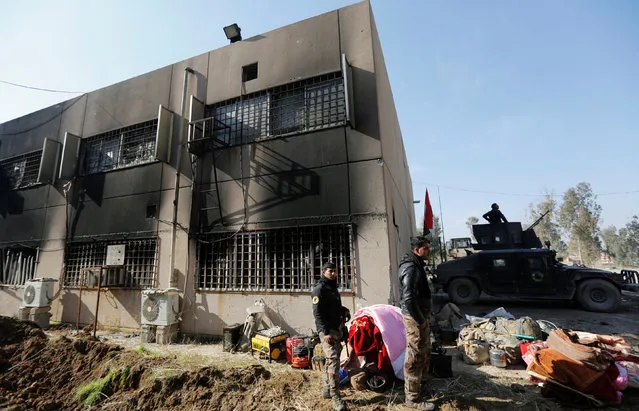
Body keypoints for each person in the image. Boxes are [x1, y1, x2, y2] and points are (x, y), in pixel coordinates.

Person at [399, 236, 435, 410]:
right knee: (414, 356)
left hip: (421, 316)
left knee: (424, 351)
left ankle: (422, 387)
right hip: (415, 319)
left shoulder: (418, 264)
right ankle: (412, 399)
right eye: (426, 248)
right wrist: (420, 321)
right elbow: (408, 298)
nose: (428, 251)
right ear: (417, 249)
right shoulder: (410, 267)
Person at [312, 262, 348, 411]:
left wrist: (343, 311)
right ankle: (335, 397)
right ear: (324, 272)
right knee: (333, 360)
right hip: (327, 330)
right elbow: (317, 313)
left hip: (336, 328)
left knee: (333, 360)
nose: (333, 274)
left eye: (335, 271)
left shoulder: (332, 287)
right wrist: (325, 332)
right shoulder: (319, 289)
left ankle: (327, 388)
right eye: (330, 271)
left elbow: (333, 306)